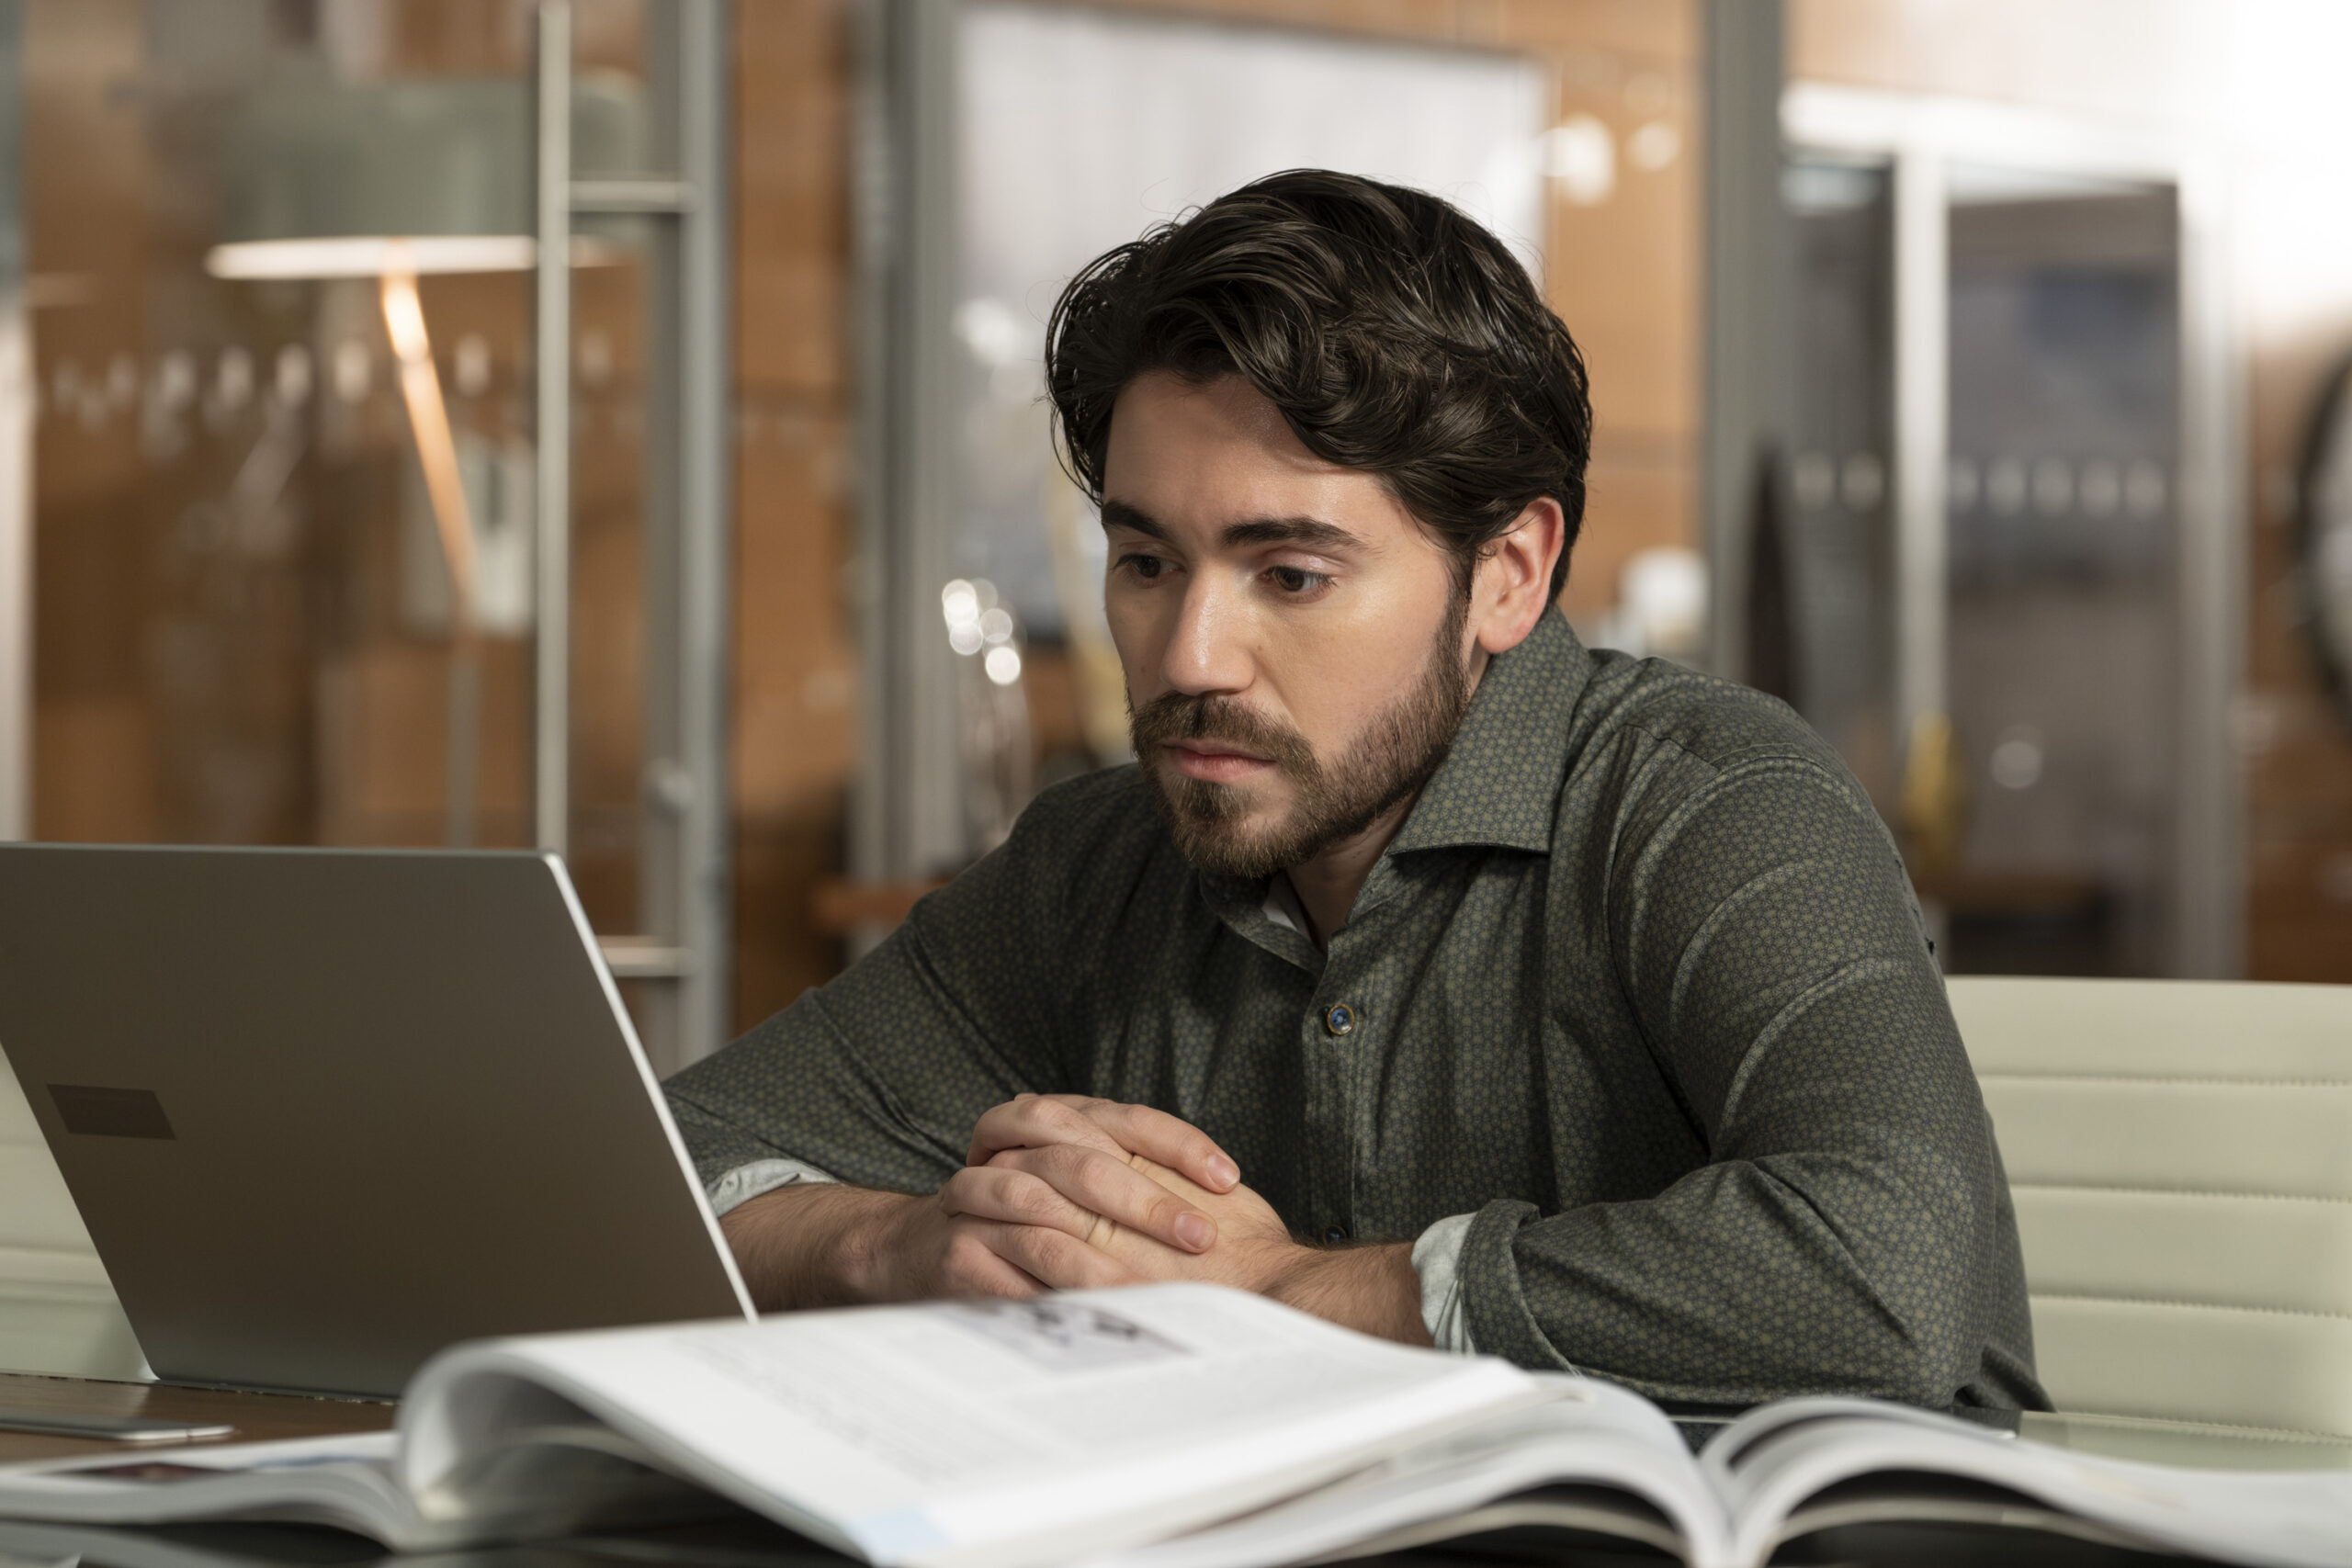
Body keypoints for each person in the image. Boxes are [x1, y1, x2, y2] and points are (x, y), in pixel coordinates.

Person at [667, 169, 2045, 1415]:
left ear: (1508, 574)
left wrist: (1279, 1295)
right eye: (1147, 563)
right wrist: (891, 1246)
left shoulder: (1711, 799)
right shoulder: (1094, 860)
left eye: (1292, 575)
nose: (1191, 658)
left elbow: (1890, 1276)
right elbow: (656, 1169)